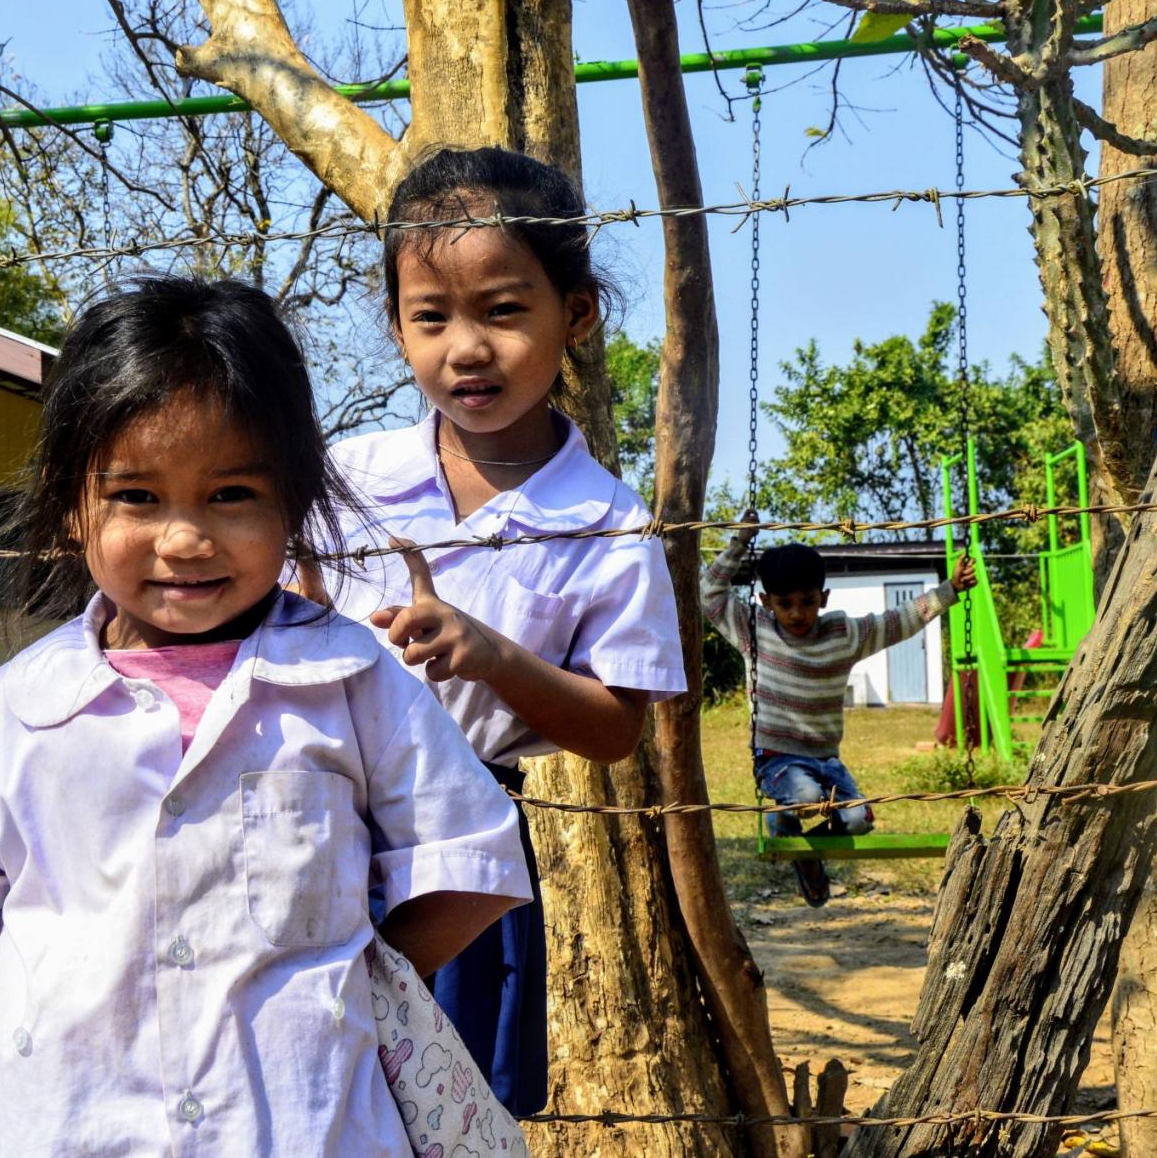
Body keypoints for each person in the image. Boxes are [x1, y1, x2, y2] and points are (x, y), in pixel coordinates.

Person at [0, 277, 532, 1156]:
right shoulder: (0, 720)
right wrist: (88, 974)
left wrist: (353, 981)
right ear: (74, 507)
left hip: (310, 1123)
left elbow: (469, 869)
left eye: (230, 495)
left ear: (292, 503)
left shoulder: (354, 684)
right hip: (82, 1123)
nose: (185, 540)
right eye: (137, 498)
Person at [321, 147, 687, 1117]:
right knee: (306, 1077)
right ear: (397, 325)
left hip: (461, 853)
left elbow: (615, 729)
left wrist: (493, 655)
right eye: (431, 316)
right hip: (308, 828)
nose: (465, 348)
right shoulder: (344, 479)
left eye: (503, 310)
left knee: (448, 1101)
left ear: (577, 313)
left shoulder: (607, 524)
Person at [702, 512, 977, 906]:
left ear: (824, 599)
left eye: (808, 602)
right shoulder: (754, 630)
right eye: (785, 604)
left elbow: (898, 621)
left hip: (828, 761)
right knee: (808, 795)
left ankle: (799, 848)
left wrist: (948, 590)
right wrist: (739, 542)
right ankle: (785, 818)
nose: (797, 613)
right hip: (777, 758)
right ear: (766, 601)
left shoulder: (843, 634)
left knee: (858, 819)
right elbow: (708, 592)